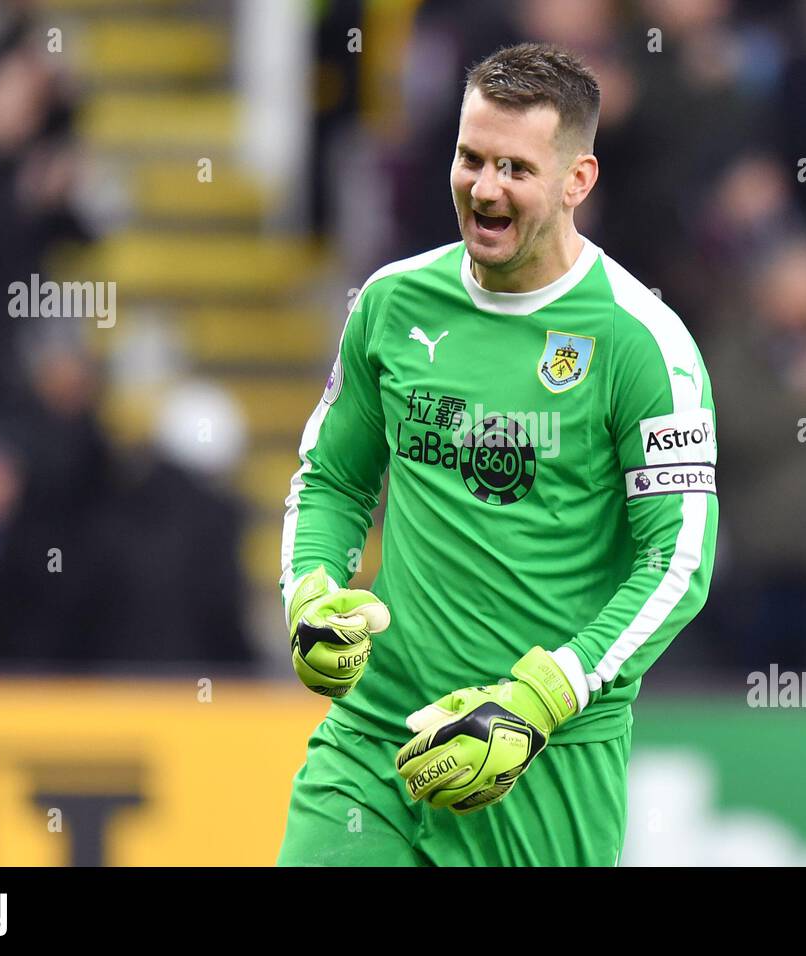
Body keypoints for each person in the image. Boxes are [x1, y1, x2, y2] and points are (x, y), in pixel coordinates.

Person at [275, 42, 717, 867]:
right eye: (470, 158)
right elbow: (333, 477)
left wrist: (538, 700)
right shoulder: (391, 301)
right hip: (377, 735)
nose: (484, 189)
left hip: (543, 762)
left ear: (576, 181)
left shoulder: (642, 344)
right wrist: (311, 589)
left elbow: (677, 562)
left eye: (514, 168)